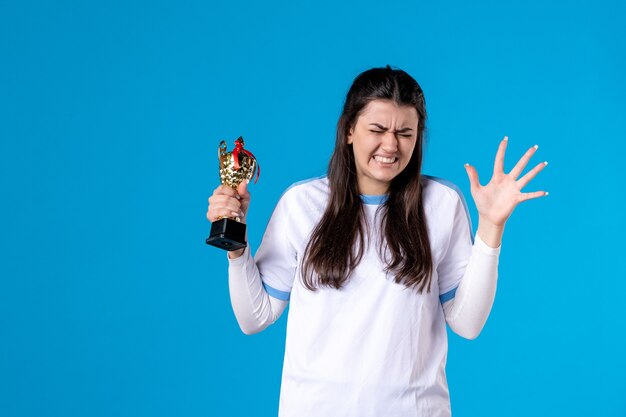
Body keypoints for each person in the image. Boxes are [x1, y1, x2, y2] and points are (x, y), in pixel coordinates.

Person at [206, 65, 548, 417]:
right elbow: (255, 317)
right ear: (350, 130)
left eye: (405, 133)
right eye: (377, 129)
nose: (391, 145)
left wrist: (491, 227)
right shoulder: (301, 204)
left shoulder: (442, 204)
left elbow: (468, 323)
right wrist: (236, 244)